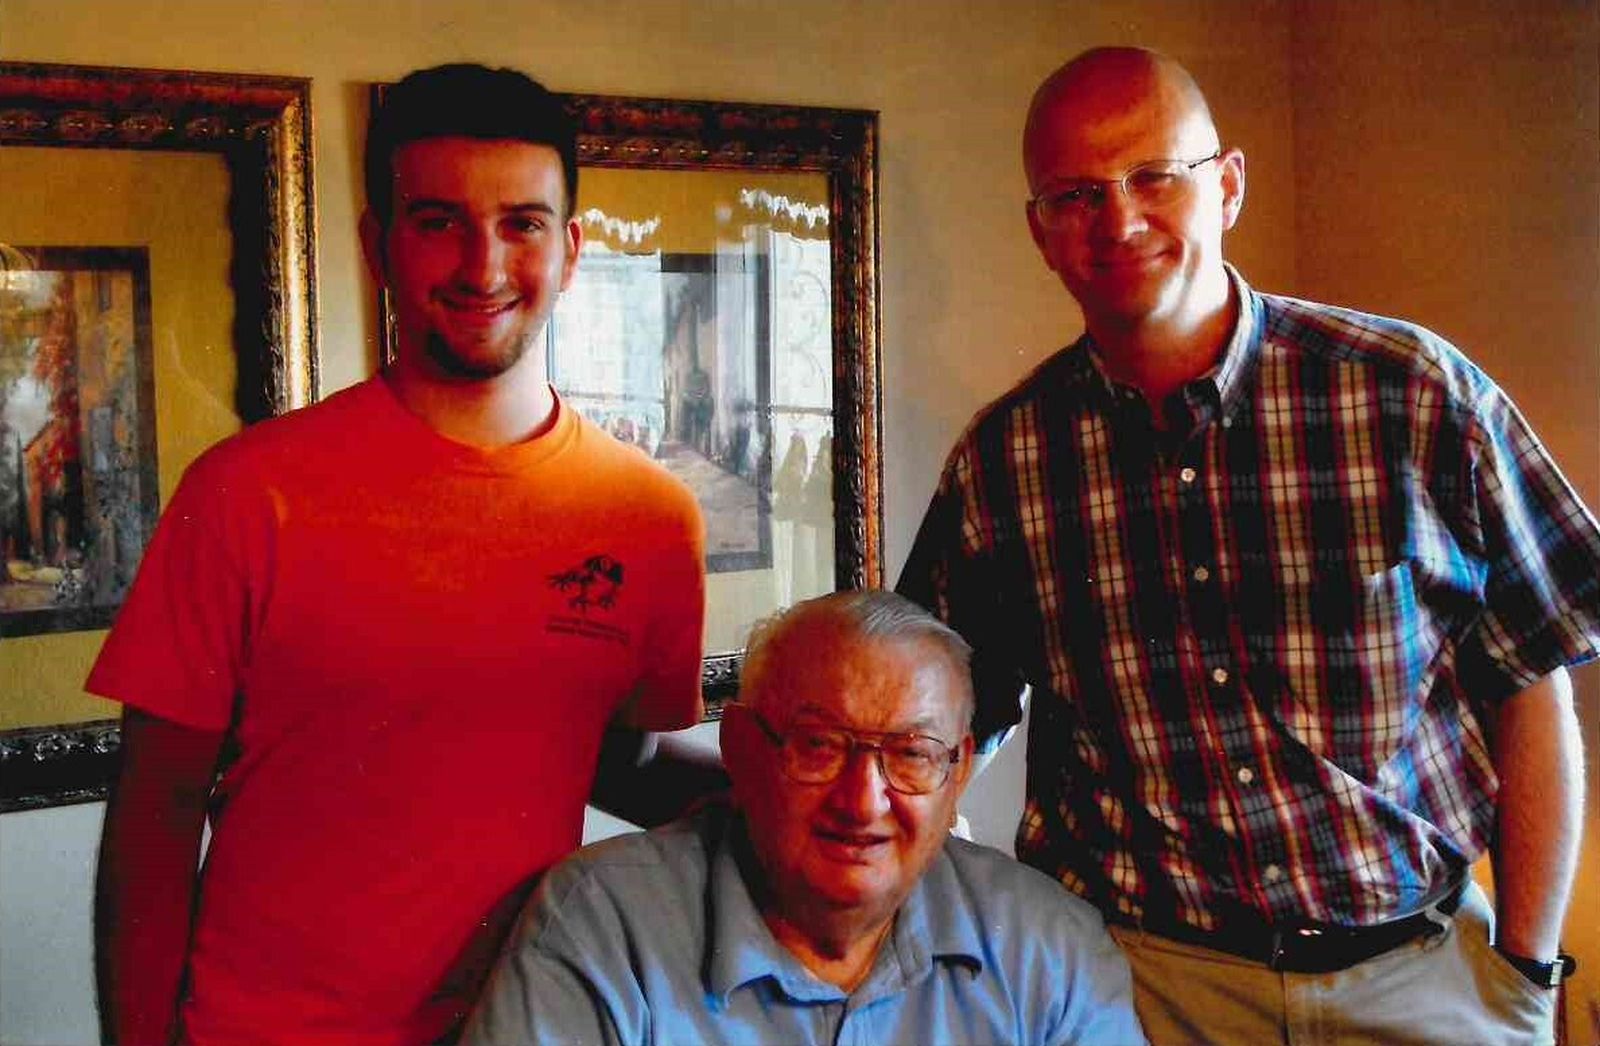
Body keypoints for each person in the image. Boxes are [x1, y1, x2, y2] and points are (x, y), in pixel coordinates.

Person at [897, 45, 1597, 1044]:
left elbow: (1532, 682)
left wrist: (1527, 969)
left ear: (1225, 185)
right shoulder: (1006, 460)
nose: (1120, 220)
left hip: (1422, 980)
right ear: (1040, 232)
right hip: (1139, 989)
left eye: (1154, 177)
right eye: (1076, 194)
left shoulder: (1414, 395)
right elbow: (935, 714)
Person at [90, 63, 707, 1045]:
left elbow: (617, 759)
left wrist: (817, 788)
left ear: (573, 247)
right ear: (379, 244)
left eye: (522, 222)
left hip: (523, 1026)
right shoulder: (250, 491)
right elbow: (155, 807)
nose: (482, 264)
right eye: (438, 221)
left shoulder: (649, 516)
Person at [463, 590, 1145, 1045]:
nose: (862, 802)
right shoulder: (604, 927)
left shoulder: (1048, 949)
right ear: (740, 749)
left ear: (956, 772)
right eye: (819, 745)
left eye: (911, 754)